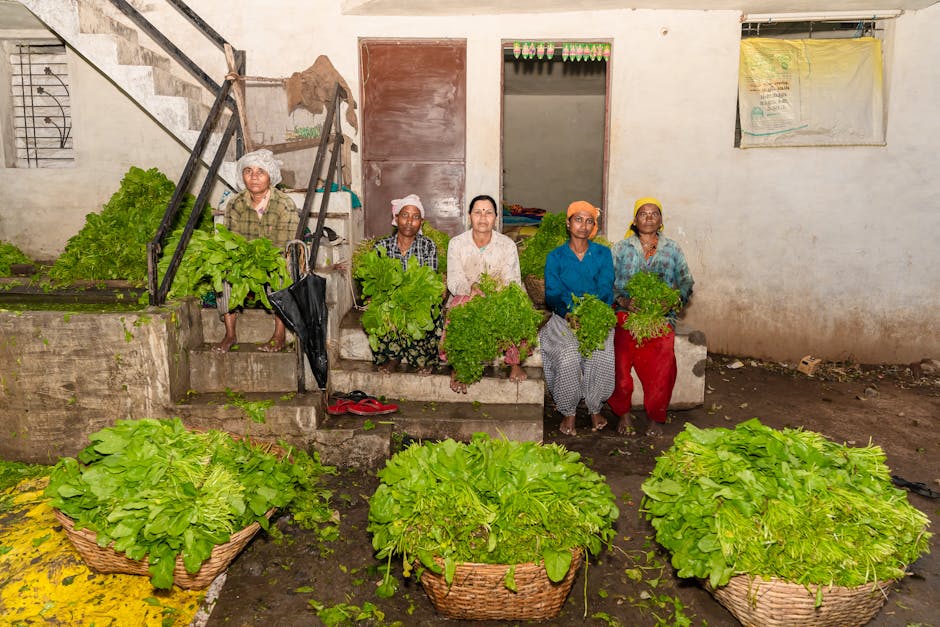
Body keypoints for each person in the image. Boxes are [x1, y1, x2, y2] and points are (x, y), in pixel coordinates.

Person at [608, 197, 694, 436]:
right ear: (634, 220)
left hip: (660, 317)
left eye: (653, 213)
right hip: (626, 313)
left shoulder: (672, 249)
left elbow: (686, 280)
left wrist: (674, 299)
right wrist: (623, 301)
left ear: (660, 220)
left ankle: (656, 417)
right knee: (621, 363)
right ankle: (623, 414)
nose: (648, 218)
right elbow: (607, 283)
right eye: (642, 214)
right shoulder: (620, 248)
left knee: (663, 363)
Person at [539, 200, 615, 436]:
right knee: (568, 354)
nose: (583, 225)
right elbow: (552, 293)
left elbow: (606, 288)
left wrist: (590, 314)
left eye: (589, 221)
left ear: (594, 226)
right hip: (564, 319)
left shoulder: (602, 254)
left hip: (595, 318)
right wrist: (568, 313)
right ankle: (568, 411)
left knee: (600, 354)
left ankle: (595, 408)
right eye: (578, 219)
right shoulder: (556, 256)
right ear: (568, 223)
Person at [213, 149, 299, 353]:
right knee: (222, 271)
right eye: (248, 171)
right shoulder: (235, 203)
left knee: (281, 270)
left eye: (261, 171)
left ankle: (279, 334)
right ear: (242, 176)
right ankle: (230, 334)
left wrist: (258, 262)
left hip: (272, 257)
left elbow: (283, 245)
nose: (254, 177)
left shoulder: (284, 204)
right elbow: (231, 239)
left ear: (271, 176)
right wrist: (241, 261)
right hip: (245, 259)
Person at [445, 194, 526, 393]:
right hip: (467, 294)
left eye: (488, 212)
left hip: (498, 295)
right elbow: (454, 280)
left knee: (515, 306)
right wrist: (471, 289)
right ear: (469, 217)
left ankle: (514, 362)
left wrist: (493, 294)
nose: (483, 217)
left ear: (496, 217)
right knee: (458, 307)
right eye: (478, 212)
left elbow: (512, 280)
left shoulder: (507, 245)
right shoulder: (457, 243)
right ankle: (459, 365)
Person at [370, 193, 442, 375]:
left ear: (421, 222)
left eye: (415, 217)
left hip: (417, 302)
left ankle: (422, 359)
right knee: (381, 313)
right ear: (396, 218)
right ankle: (392, 358)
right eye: (405, 215)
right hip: (391, 302)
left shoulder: (428, 246)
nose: (410, 221)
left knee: (425, 317)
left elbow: (429, 280)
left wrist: (408, 298)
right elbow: (376, 282)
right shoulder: (381, 246)